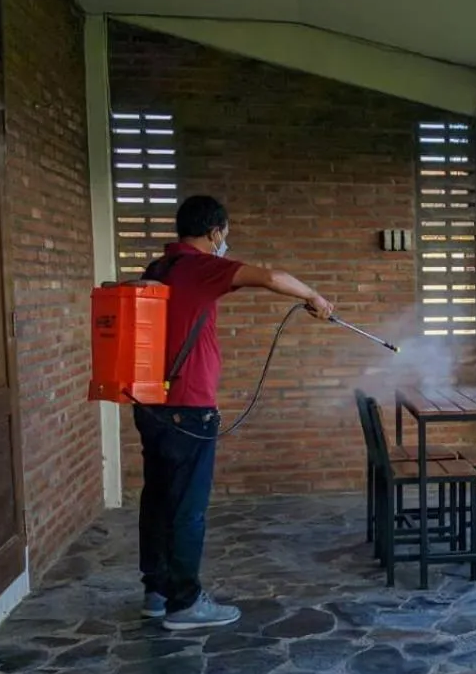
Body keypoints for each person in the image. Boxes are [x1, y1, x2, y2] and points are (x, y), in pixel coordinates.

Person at [136, 195, 332, 631]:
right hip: (187, 409)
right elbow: (272, 277)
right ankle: (185, 603)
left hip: (150, 406)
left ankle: (157, 590)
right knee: (188, 506)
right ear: (214, 232)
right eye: (224, 233)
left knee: (158, 498)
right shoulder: (198, 266)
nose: (225, 240)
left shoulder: (159, 269)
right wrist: (314, 296)